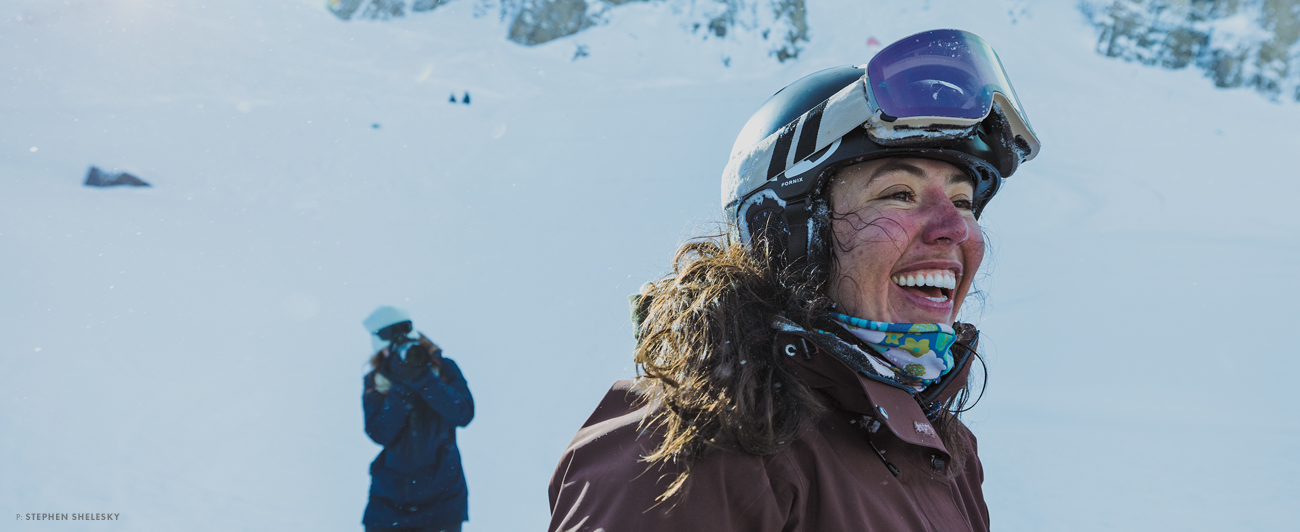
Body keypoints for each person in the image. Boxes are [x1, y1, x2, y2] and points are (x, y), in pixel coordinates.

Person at [547, 29, 1040, 531]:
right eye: (898, 194)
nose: (954, 229)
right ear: (787, 234)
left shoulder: (938, 446)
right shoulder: (690, 449)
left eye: (962, 201)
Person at [361, 306, 474, 532]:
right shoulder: (376, 381)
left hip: (443, 501)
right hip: (388, 502)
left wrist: (423, 379)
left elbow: (462, 413)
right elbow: (380, 432)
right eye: (390, 349)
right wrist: (401, 387)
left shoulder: (444, 368)